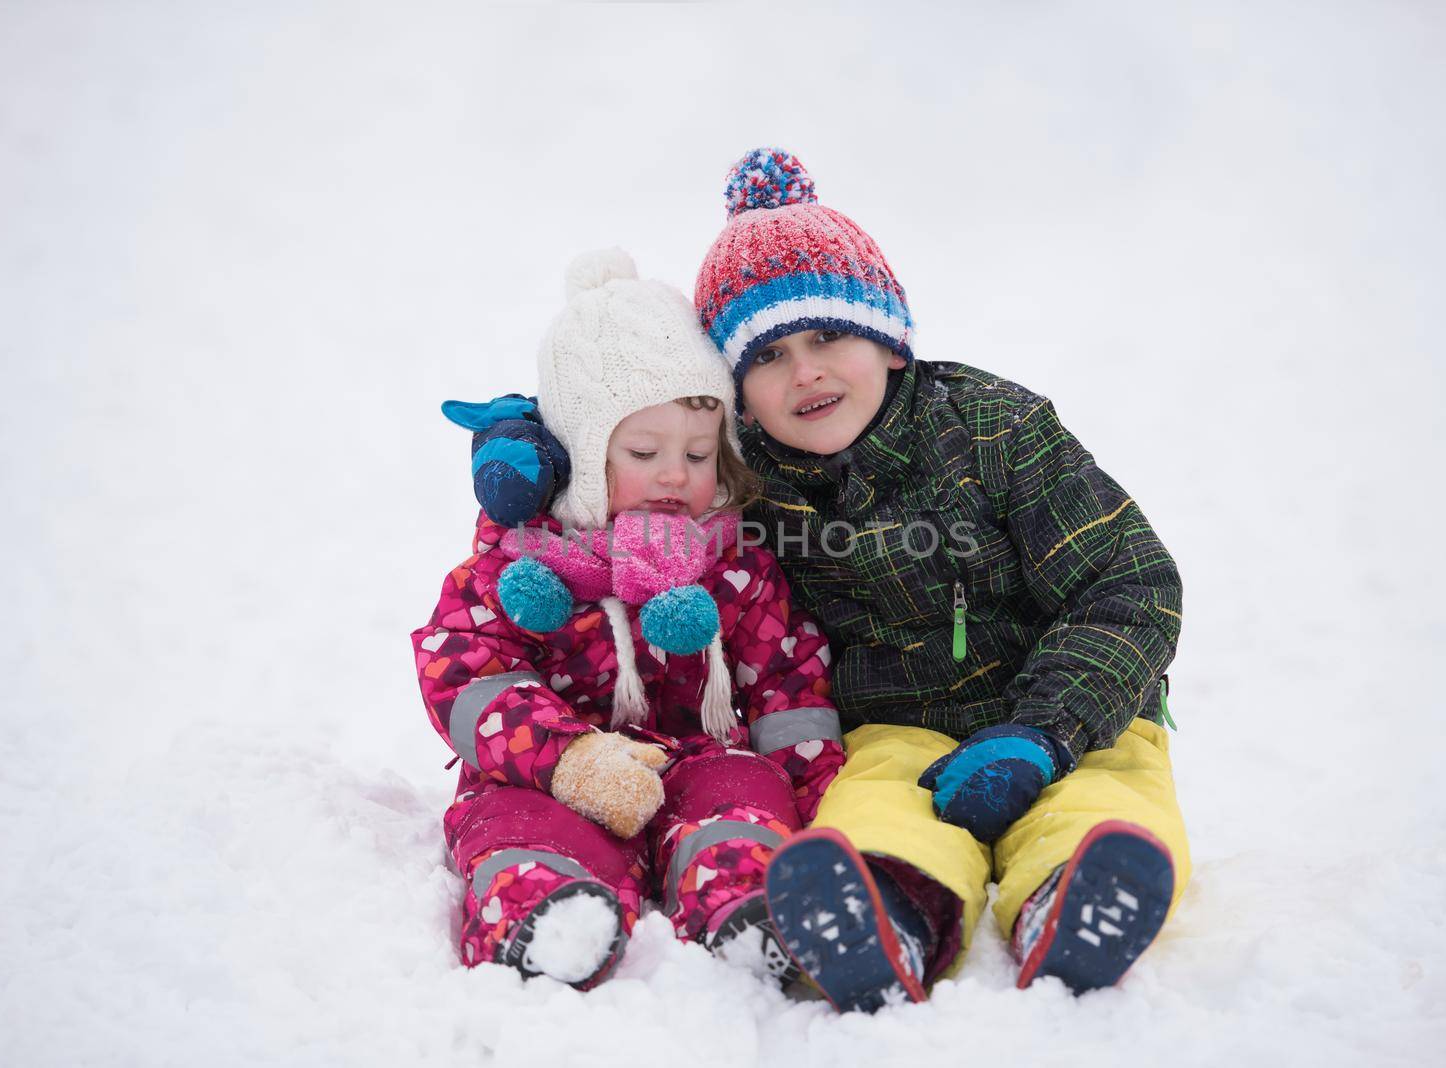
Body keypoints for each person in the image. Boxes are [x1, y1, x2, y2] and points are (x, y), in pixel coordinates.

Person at [463, 149, 1191, 1012]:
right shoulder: (741, 480)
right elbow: (614, 442)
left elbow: (1130, 582)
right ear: (739, 397)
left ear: (888, 338)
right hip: (894, 731)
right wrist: (529, 442)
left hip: (1077, 715)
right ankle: (887, 917)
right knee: (877, 817)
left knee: (1103, 795)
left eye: (828, 336)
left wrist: (1045, 732)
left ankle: (1073, 897)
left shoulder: (996, 429)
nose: (804, 371)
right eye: (768, 356)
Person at [412, 248, 844, 990]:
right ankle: (543, 908)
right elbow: (466, 671)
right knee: (516, 817)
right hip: (548, 770)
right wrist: (568, 759)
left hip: (696, 755)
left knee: (743, 794)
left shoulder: (731, 561)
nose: (677, 474)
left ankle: (748, 906)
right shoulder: (519, 563)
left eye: (700, 453)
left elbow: (787, 681)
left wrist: (820, 799)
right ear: (581, 456)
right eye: (644, 451)